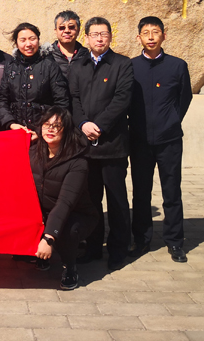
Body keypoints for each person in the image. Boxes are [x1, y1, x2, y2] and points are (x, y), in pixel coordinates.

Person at [69, 16, 134, 271]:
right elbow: (73, 99)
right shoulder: (78, 65)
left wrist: (99, 126)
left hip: (112, 145)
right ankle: (93, 247)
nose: (99, 38)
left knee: (117, 200)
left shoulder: (122, 64)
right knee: (91, 200)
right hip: (85, 145)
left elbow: (121, 100)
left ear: (110, 36)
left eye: (104, 34)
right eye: (94, 34)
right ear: (86, 38)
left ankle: (118, 250)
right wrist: (83, 123)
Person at [128, 16, 193, 263]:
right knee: (141, 193)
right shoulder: (131, 67)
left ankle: (175, 241)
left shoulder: (177, 66)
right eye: (146, 33)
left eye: (155, 32)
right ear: (139, 38)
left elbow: (184, 98)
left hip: (169, 140)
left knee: (172, 192)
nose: (151, 37)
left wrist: (172, 120)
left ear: (164, 35)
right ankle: (141, 239)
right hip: (140, 140)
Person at [31, 107, 98, 291]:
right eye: (47, 124)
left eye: (57, 126)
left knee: (67, 231)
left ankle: (70, 267)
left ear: (67, 129)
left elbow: (65, 204)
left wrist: (49, 237)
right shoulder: (33, 153)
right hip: (45, 211)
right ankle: (40, 254)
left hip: (76, 215)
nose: (50, 129)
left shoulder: (78, 163)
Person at [0, 22, 69, 138]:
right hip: (16, 132)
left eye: (32, 39)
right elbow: (2, 100)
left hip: (44, 134)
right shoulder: (10, 66)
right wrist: (11, 123)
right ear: (16, 43)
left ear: (38, 40)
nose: (28, 44)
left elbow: (62, 101)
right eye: (23, 40)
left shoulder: (49, 65)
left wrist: (42, 131)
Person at [48, 10, 88, 79]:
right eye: (62, 28)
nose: (67, 31)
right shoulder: (48, 56)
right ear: (56, 31)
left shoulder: (86, 56)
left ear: (78, 30)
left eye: (71, 27)